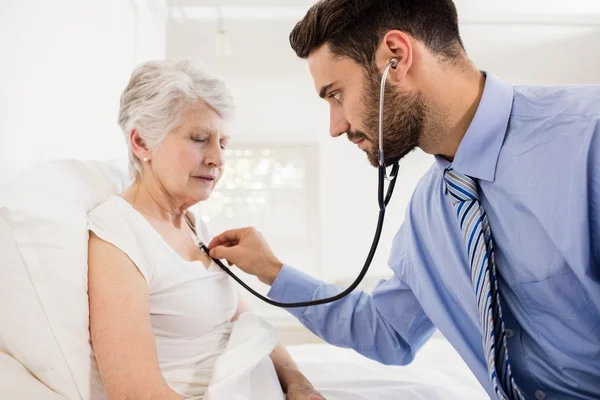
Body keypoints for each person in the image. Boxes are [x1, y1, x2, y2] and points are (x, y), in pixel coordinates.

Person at [207, 1, 600, 399]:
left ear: (396, 58)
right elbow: (389, 332)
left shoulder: (589, 139)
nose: (335, 126)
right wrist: (272, 270)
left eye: (337, 95)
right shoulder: (431, 212)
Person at [86, 60, 324, 400]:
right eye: (200, 139)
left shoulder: (192, 223)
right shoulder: (118, 238)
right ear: (141, 143)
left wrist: (298, 382)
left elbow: (245, 323)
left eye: (223, 143)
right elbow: (136, 394)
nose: (217, 158)